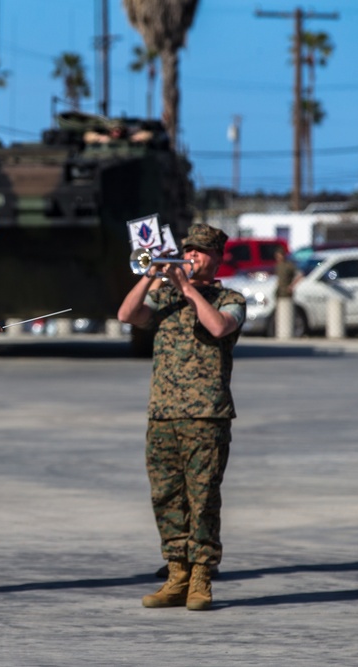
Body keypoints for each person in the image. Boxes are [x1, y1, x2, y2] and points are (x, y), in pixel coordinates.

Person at [117, 224, 246, 612]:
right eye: (188, 249)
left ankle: (202, 578)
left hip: (207, 416)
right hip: (163, 414)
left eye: (201, 251)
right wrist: (151, 276)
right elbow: (127, 314)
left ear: (218, 257)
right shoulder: (164, 296)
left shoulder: (230, 297)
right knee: (166, 498)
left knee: (203, 498)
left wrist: (188, 289)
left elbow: (219, 327)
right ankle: (176, 575)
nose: (192, 256)